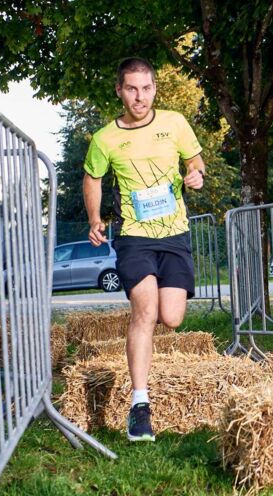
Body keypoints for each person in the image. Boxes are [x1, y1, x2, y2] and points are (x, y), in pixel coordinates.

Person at [82, 57, 205, 442]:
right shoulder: (105, 138)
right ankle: (139, 405)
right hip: (133, 236)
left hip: (175, 234)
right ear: (119, 91)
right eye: (132, 89)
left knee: (172, 317)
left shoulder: (175, 123)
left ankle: (141, 389)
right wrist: (94, 218)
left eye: (147, 88)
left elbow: (195, 160)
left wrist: (196, 174)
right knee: (145, 311)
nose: (140, 97)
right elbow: (92, 177)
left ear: (154, 89)